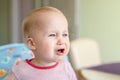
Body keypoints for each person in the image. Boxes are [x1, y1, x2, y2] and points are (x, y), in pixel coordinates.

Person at [4, 6, 77, 80]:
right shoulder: (20, 70)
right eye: (52, 35)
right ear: (32, 43)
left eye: (64, 35)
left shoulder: (66, 67)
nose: (61, 41)